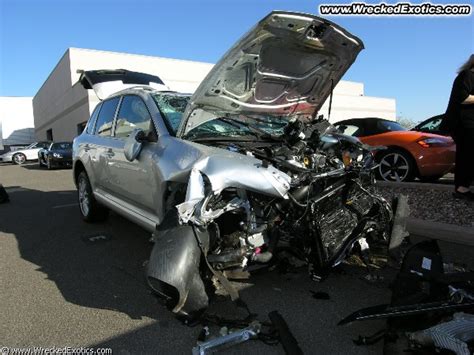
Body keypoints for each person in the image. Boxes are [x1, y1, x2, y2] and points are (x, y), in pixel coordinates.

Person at [442, 54, 474, 201]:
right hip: (462, 123)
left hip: (468, 123)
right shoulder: (467, 75)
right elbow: (463, 97)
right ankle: (461, 189)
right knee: (466, 155)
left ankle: (464, 187)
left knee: (467, 155)